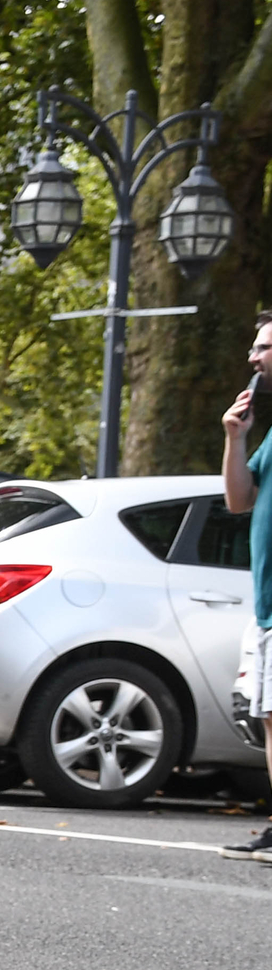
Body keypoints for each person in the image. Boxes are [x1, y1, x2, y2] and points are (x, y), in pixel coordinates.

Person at [217, 311, 272, 860]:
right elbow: (239, 500)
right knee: (270, 719)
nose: (254, 358)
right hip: (266, 604)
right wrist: (235, 438)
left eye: (264, 348)